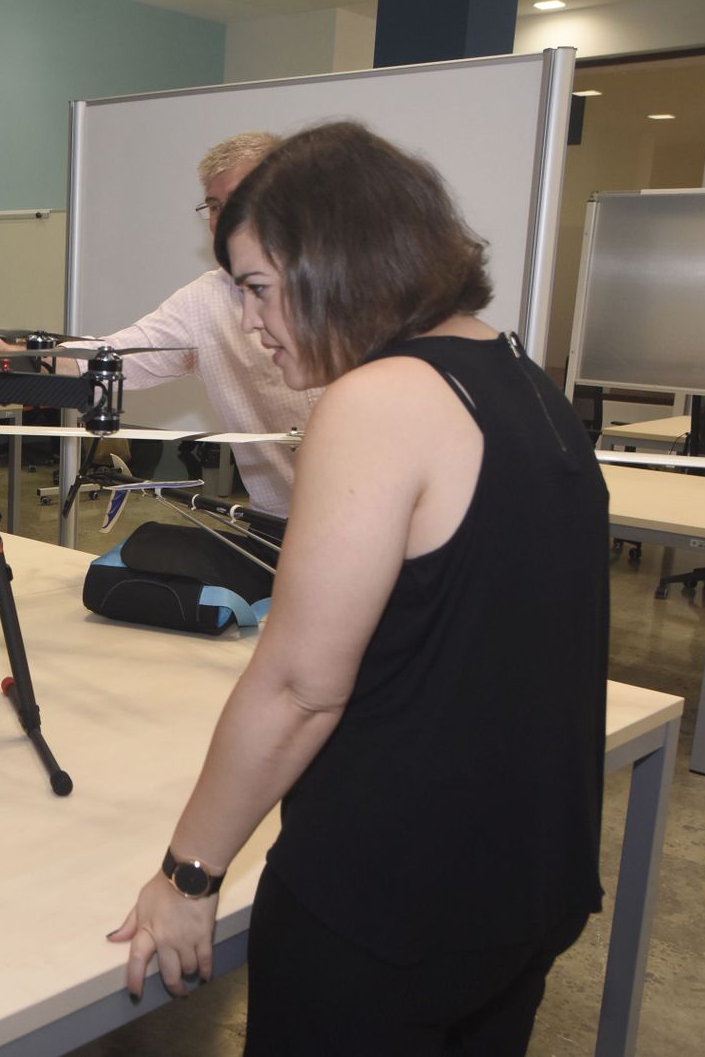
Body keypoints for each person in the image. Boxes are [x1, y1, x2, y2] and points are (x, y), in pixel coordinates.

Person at [110, 121, 609, 1055]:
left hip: (390, 905)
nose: (250, 327)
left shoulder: (378, 400)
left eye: (257, 289)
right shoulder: (524, 381)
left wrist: (187, 878)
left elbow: (301, 684)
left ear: (333, 260)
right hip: (526, 883)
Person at [0, 131, 317, 517]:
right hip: (276, 524)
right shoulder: (206, 299)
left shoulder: (348, 288)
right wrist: (6, 354)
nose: (223, 221)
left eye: (240, 203)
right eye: (215, 206)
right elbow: (105, 361)